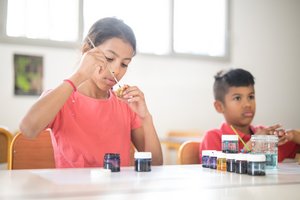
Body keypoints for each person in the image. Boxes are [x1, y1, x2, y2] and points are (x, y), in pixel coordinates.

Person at [19, 17, 163, 168]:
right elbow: (28, 129)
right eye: (109, 58)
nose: (116, 70)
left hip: (118, 191)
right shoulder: (61, 99)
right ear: (87, 51)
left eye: (124, 64)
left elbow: (156, 164)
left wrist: (145, 117)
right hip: (73, 191)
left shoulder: (126, 104)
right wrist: (79, 74)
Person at [199, 68, 300, 163]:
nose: (247, 104)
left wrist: (293, 135)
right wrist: (252, 146)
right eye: (237, 98)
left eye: (251, 97)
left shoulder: (265, 135)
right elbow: (222, 175)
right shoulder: (213, 138)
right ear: (219, 106)